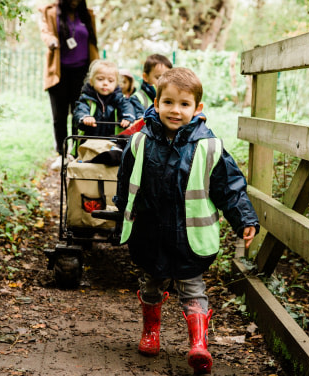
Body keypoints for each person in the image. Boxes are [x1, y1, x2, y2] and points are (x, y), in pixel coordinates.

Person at [114, 67, 260, 375]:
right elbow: (125, 185)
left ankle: (198, 344)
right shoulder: (139, 142)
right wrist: (121, 218)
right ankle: (150, 332)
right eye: (168, 102)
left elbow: (230, 189)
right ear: (156, 104)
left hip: (188, 238)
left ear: (197, 109)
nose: (175, 110)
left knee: (192, 288)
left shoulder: (208, 147)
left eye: (183, 104)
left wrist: (243, 217)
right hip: (150, 233)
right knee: (152, 284)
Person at [38, 0, 99, 169]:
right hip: (59, 71)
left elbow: (93, 42)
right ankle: (61, 154)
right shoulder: (51, 12)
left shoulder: (86, 16)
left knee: (79, 114)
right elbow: (45, 32)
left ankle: (75, 153)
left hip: (81, 72)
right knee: (59, 116)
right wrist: (51, 42)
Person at [73, 59, 135, 137]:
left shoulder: (119, 99)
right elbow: (80, 110)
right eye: (100, 79)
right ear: (91, 81)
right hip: (90, 141)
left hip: (114, 141)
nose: (105, 83)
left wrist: (128, 117)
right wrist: (85, 117)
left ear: (116, 84)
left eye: (110, 81)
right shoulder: (87, 99)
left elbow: (127, 107)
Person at [129, 54, 173, 119]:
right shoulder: (137, 98)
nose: (164, 82)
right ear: (145, 77)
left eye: (168, 78)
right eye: (158, 78)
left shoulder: (171, 97)